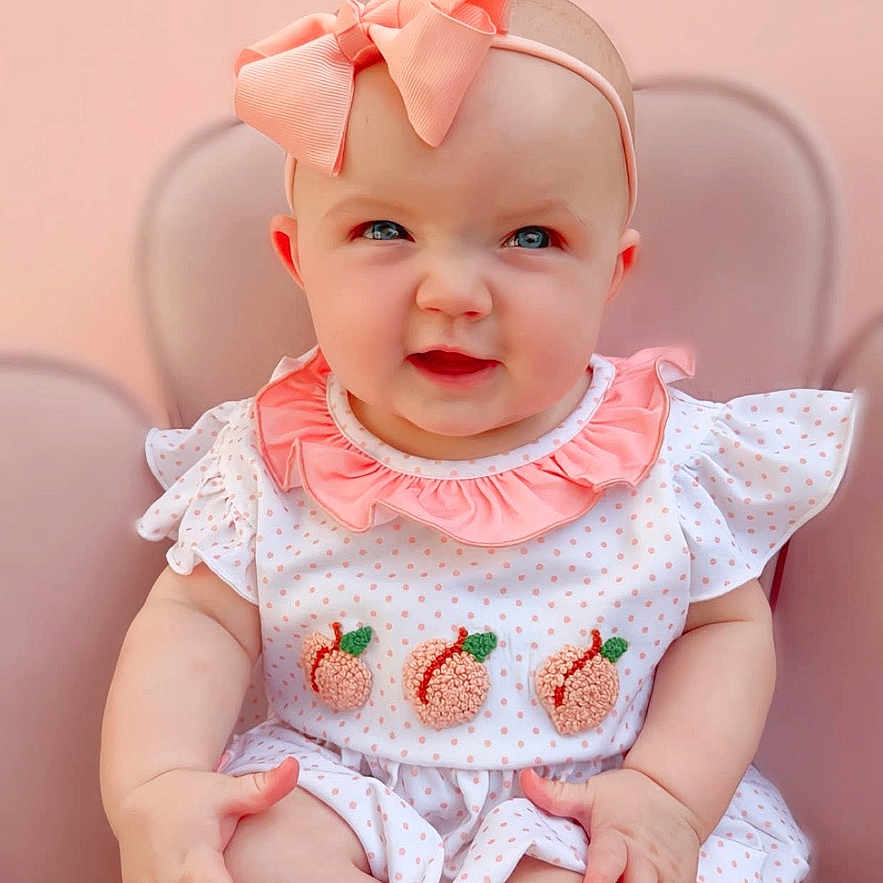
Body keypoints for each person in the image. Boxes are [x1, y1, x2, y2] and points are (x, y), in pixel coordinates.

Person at [99, 0, 863, 880]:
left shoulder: (660, 454)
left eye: (530, 236)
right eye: (383, 229)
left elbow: (724, 628)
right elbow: (197, 620)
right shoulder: (272, 452)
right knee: (259, 847)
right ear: (299, 254)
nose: (453, 291)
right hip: (333, 794)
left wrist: (667, 790)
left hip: (581, 803)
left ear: (607, 273)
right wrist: (155, 782)